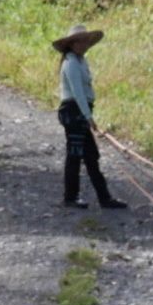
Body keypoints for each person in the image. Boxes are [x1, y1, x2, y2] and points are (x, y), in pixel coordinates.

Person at [55, 29, 125, 214]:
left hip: (80, 112)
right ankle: (70, 197)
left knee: (91, 156)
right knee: (75, 155)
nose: (83, 45)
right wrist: (88, 116)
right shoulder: (70, 63)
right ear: (71, 44)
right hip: (74, 112)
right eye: (79, 42)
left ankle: (104, 197)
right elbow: (78, 93)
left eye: (85, 42)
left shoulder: (80, 61)